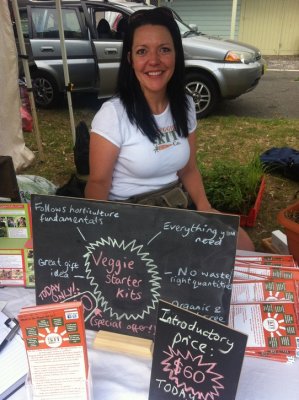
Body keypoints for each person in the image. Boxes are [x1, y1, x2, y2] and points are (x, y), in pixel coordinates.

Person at [85, 7, 254, 251]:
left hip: (175, 212)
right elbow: (98, 184)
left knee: (244, 244)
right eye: (142, 51)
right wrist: (100, 238)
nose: (154, 61)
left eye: (164, 49)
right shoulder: (112, 114)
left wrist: (205, 208)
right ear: (131, 59)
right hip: (129, 218)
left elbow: (189, 169)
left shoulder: (184, 103)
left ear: (176, 54)